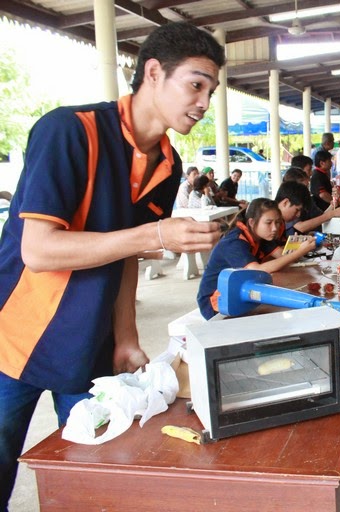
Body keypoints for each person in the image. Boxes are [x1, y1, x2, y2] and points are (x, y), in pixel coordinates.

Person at [0, 21, 225, 508]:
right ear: (153, 73)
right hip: (15, 337)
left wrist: (125, 336)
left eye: (211, 91)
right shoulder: (70, 131)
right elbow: (38, 251)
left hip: (88, 344)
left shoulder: (167, 164)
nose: (204, 103)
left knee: (94, 479)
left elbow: (124, 256)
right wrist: (156, 234)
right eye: (196, 85)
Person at [197, 198, 315, 320]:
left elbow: (282, 256)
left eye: (277, 222)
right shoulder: (234, 242)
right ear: (252, 222)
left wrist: (296, 246)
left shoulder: (261, 236)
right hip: (218, 302)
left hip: (243, 291)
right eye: (269, 223)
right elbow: (258, 269)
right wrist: (300, 252)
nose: (274, 228)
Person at [283, 167, 340, 235]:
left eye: (307, 187)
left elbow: (321, 217)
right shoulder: (289, 202)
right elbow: (301, 227)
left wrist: (333, 203)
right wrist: (332, 214)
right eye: (304, 187)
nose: (307, 190)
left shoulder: (307, 199)